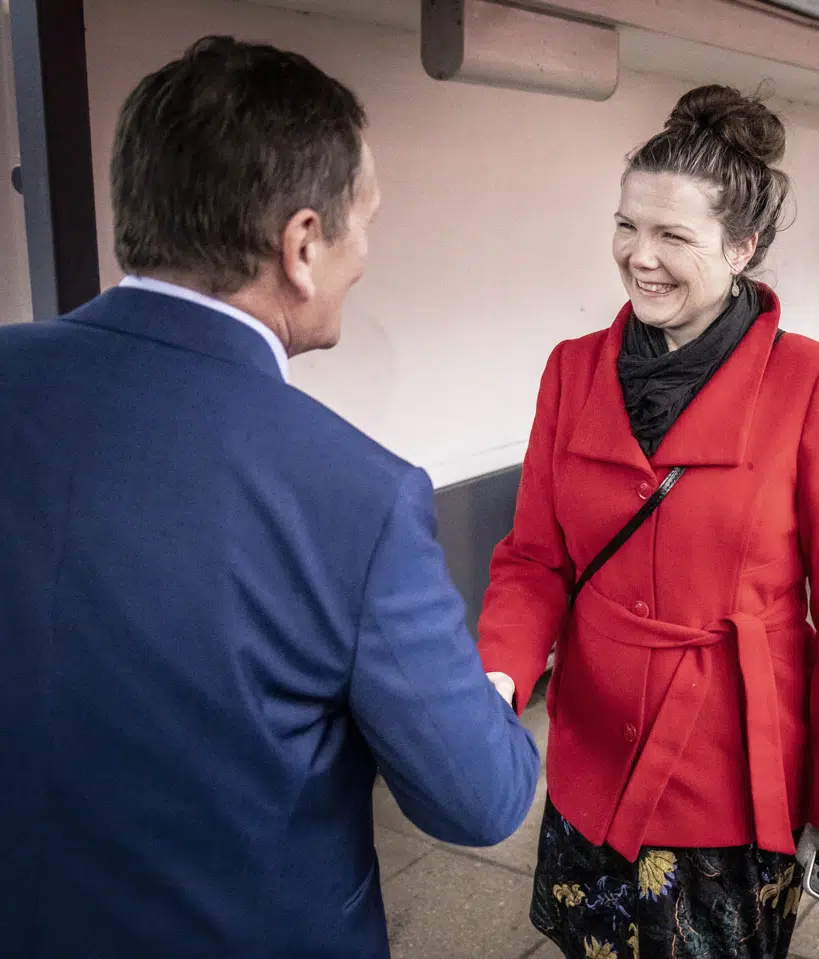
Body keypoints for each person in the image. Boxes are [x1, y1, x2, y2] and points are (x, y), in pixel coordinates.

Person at [0, 37, 539, 958]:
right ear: (301, 244)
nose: (365, 254)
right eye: (363, 222)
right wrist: (485, 692)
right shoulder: (358, 498)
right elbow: (478, 797)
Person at [478, 85, 819, 959]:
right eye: (628, 225)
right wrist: (497, 679)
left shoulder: (814, 385)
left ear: (742, 247)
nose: (640, 257)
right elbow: (533, 559)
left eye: (673, 236)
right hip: (591, 763)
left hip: (730, 777)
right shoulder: (572, 369)